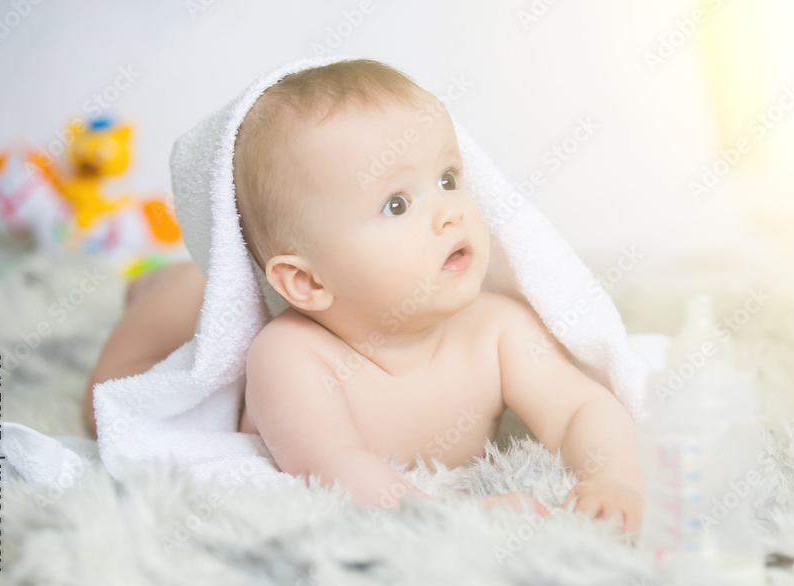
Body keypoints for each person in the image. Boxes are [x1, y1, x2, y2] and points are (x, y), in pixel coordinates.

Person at [86, 59, 644, 534]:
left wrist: (612, 477)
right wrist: (443, 520)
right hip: (191, 301)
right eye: (397, 204)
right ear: (307, 282)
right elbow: (335, 464)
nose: (449, 212)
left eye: (448, 179)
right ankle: (155, 283)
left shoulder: (499, 330)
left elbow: (580, 408)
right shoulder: (291, 356)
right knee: (117, 382)